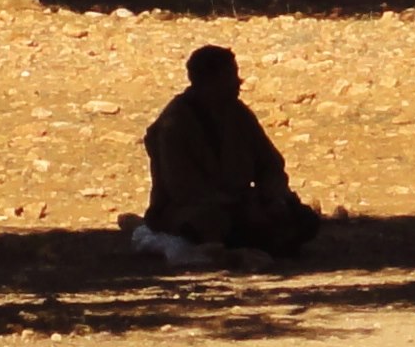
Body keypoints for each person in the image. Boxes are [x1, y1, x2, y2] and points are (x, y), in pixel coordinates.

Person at [132, 43, 322, 265]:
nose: (238, 83)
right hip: (190, 209)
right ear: (207, 81)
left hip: (244, 203)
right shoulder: (175, 124)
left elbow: (269, 163)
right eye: (230, 76)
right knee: (212, 223)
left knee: (302, 219)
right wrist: (239, 204)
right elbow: (182, 188)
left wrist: (271, 195)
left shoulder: (237, 113)